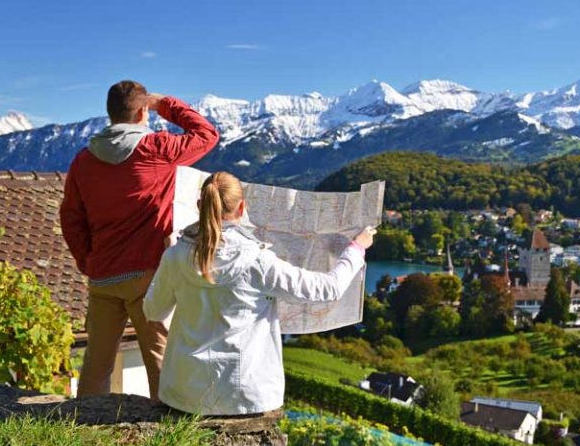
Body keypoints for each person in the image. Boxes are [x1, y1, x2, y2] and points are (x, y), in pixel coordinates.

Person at [143, 171, 376, 415]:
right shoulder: (258, 261)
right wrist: (356, 249)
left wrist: (166, 267)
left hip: (185, 393)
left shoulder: (175, 256)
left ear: (200, 206)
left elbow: (153, 310)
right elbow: (327, 289)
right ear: (242, 208)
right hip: (243, 396)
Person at [59, 80, 219, 398]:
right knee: (161, 362)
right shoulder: (156, 148)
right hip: (148, 276)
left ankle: (86, 433)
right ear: (143, 111)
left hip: (103, 276)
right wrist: (166, 104)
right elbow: (207, 136)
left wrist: (88, 261)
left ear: (110, 113)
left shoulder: (83, 160)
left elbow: (70, 218)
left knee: (96, 365)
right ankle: (166, 436)